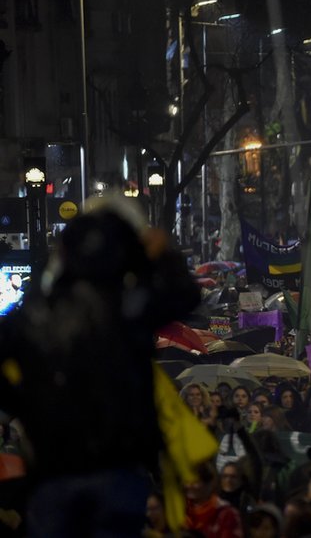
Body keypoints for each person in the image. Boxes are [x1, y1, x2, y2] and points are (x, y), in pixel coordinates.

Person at [0, 198, 200, 537]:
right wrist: (160, 254)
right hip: (117, 469)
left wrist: (25, 405)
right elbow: (184, 294)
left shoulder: (34, 315)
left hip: (55, 470)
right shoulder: (129, 310)